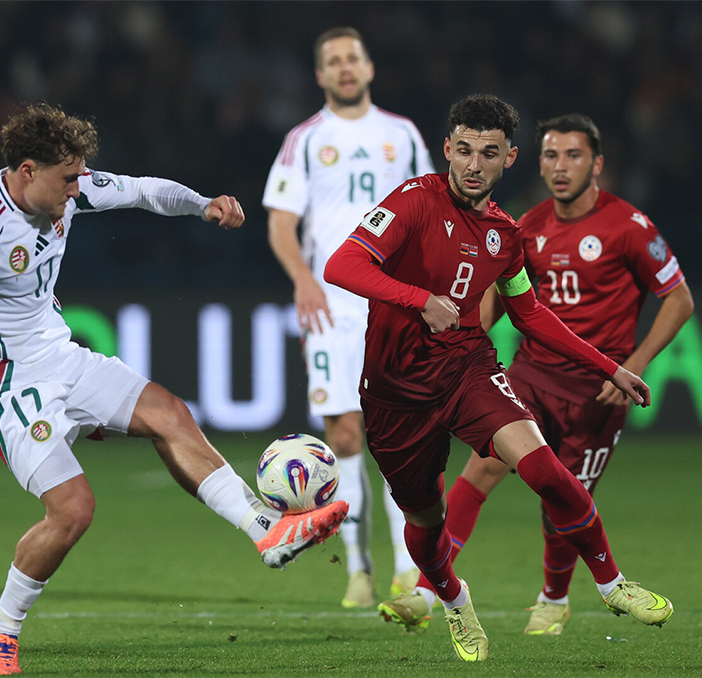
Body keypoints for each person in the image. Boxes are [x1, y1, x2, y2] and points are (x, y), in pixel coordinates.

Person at [0, 103, 348, 676]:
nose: (79, 189)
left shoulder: (65, 190)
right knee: (73, 510)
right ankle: (1, 631)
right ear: (28, 171)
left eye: (80, 176)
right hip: (2, 387)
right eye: (69, 179)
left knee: (169, 413)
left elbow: (141, 190)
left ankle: (267, 532)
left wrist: (203, 204)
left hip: (57, 355)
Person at [323, 94, 673, 662]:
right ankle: (453, 599)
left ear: (509, 158)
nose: (473, 164)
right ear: (447, 149)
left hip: (467, 369)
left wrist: (611, 366)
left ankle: (612, 584)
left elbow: (529, 313)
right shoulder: (412, 200)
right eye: (464, 150)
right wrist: (418, 299)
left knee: (545, 469)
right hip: (395, 391)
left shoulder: (506, 235)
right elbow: (340, 265)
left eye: (488, 153)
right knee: (425, 521)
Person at [434, 113, 693, 636]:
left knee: (563, 501)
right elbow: (500, 300)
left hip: (596, 390)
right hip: (531, 375)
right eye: (551, 155)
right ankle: (426, 590)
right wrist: (459, 350)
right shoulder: (526, 227)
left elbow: (679, 299)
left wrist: (633, 365)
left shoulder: (629, 226)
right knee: (480, 469)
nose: (560, 166)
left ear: (596, 165)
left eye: (573, 156)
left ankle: (553, 598)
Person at [263, 27, 433, 609]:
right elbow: (281, 222)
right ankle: (358, 569)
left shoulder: (402, 134)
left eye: (352, 58)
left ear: (368, 67)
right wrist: (303, 278)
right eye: (333, 61)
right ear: (320, 75)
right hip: (332, 307)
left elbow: (432, 209)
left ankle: (407, 570)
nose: (344, 67)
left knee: (401, 434)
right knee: (343, 434)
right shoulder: (305, 139)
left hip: (395, 302)